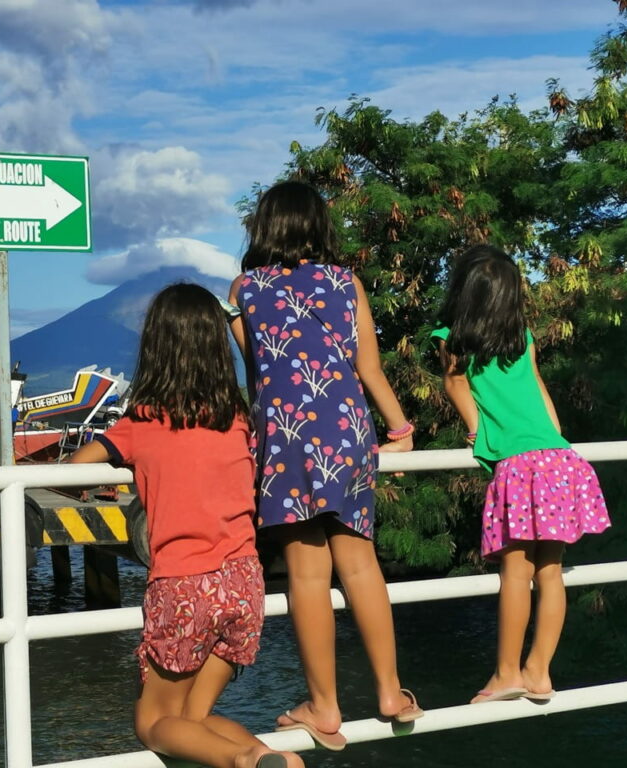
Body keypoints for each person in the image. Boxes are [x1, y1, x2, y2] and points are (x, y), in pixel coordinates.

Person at [68, 283, 303, 768]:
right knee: (192, 720)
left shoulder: (142, 422)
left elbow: (73, 472)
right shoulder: (236, 419)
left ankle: (247, 761)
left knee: (153, 724)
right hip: (244, 583)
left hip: (184, 587)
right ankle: (267, 756)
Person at [229, 180, 421, 751]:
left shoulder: (244, 289)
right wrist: (401, 430)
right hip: (348, 431)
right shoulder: (345, 282)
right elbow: (369, 368)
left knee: (308, 576)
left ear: (264, 227)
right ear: (318, 225)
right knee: (361, 566)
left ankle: (323, 705)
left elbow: (258, 371)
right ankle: (390, 691)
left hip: (287, 435)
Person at [432, 243, 611, 703]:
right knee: (550, 571)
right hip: (558, 459)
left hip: (517, 463)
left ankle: (507, 673)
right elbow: (541, 393)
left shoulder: (452, 339)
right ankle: (539, 671)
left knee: (515, 572)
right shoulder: (523, 338)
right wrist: (555, 439)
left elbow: (455, 384)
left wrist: (477, 434)